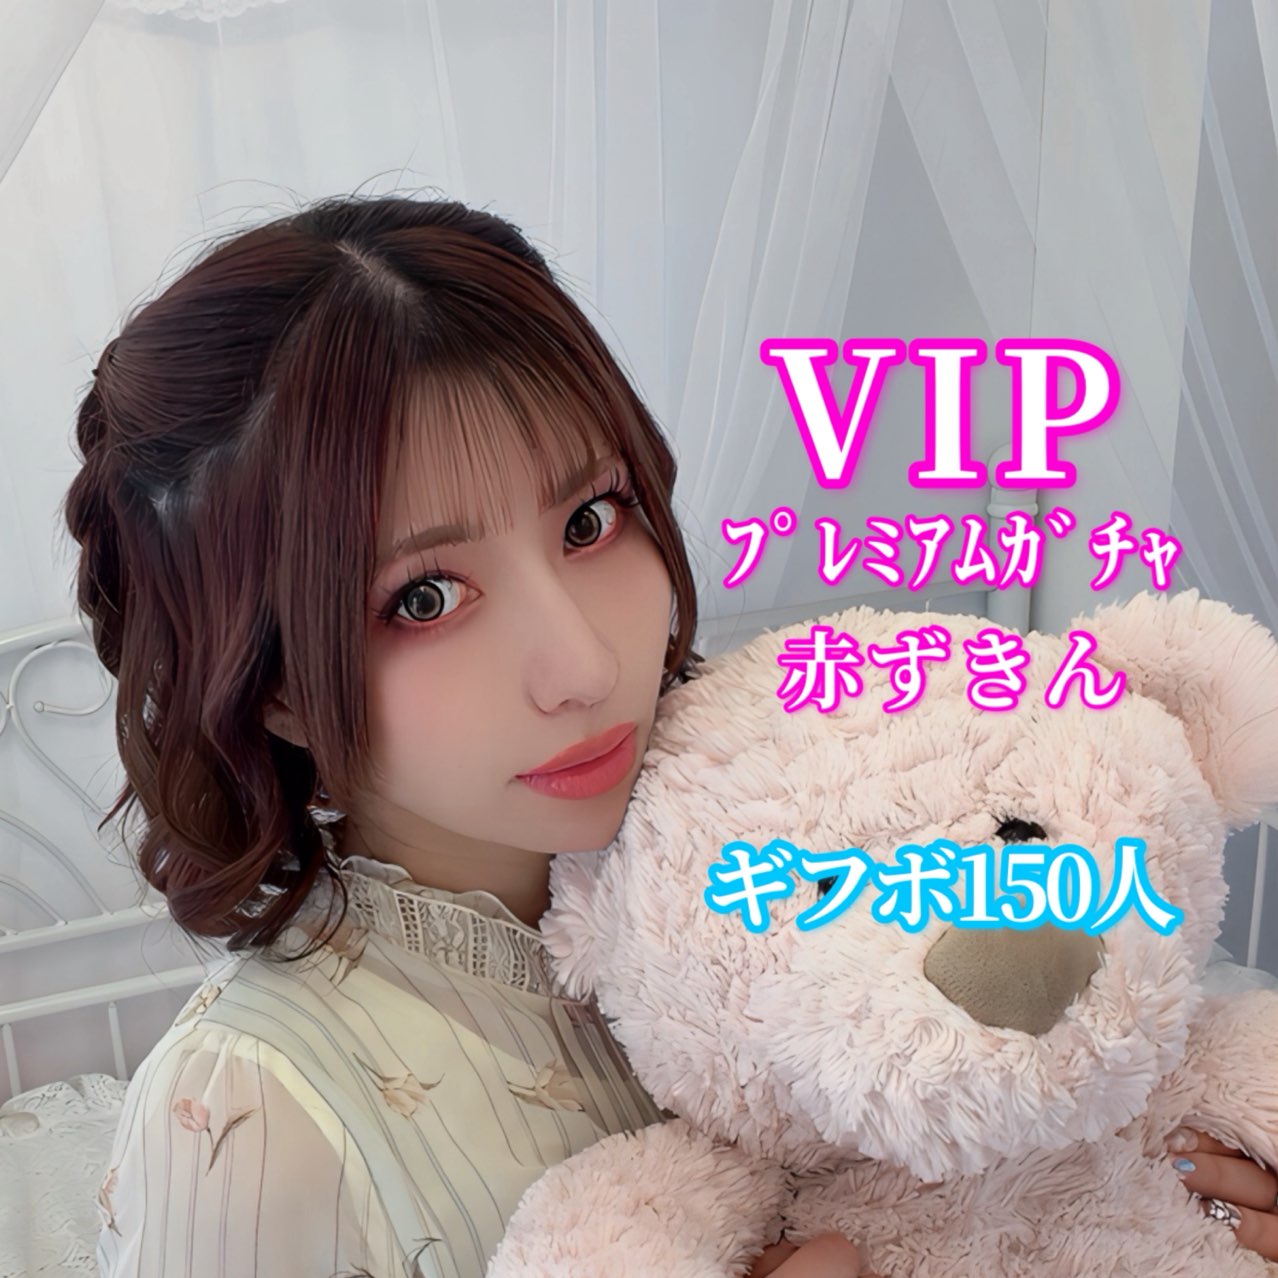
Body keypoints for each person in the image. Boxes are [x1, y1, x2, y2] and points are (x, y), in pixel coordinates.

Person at [65, 194, 873, 1278]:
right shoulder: (249, 1119)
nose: (585, 668)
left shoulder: (780, 873)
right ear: (269, 687)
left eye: (589, 520)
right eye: (426, 598)